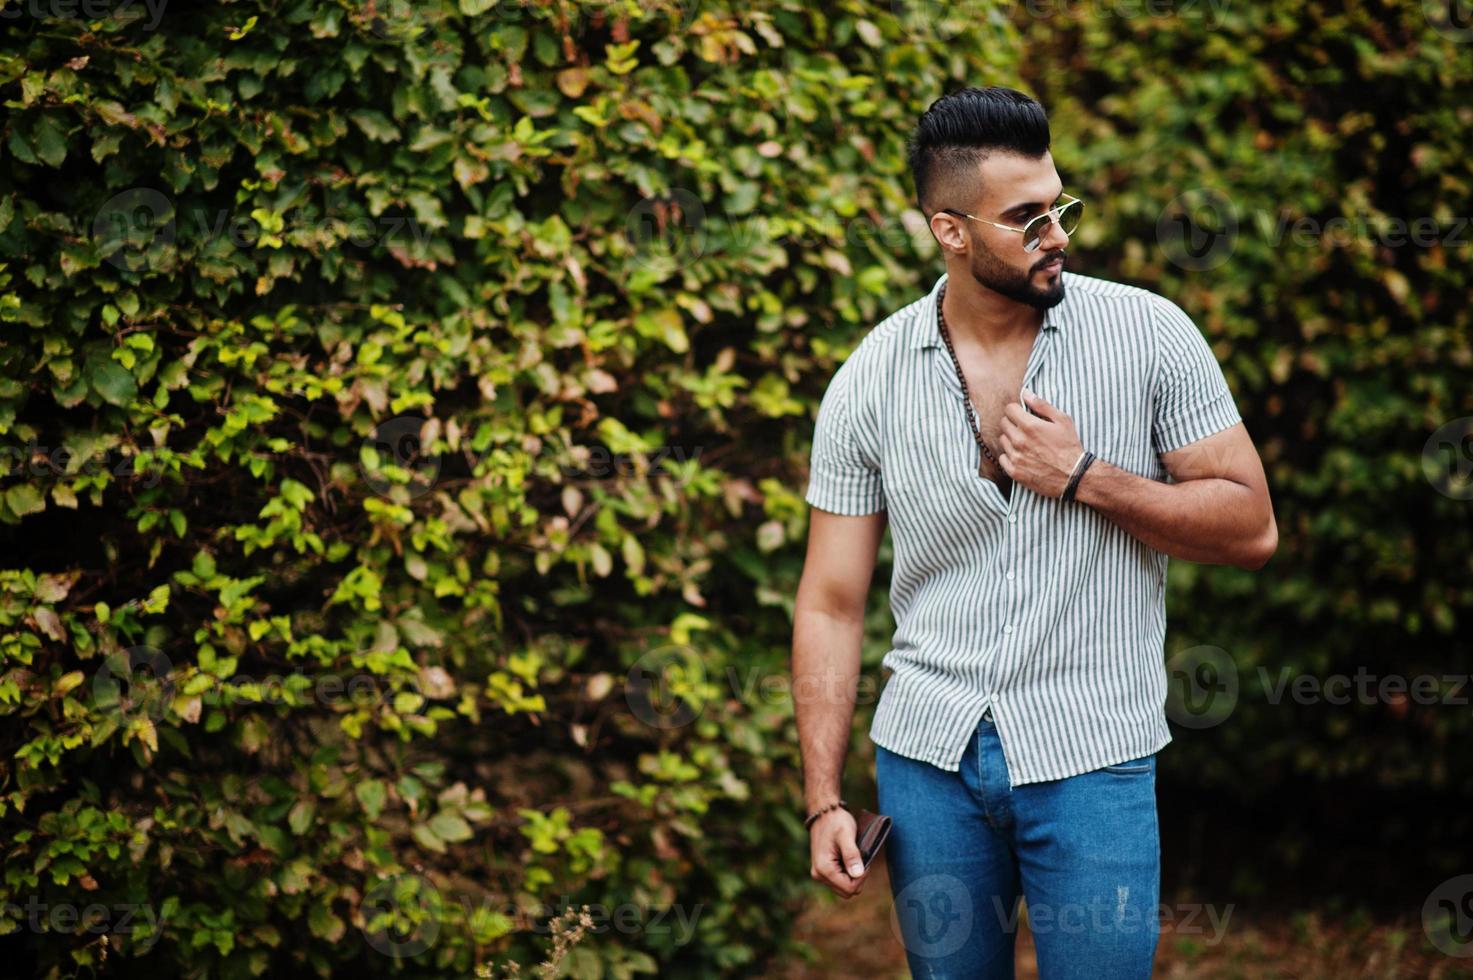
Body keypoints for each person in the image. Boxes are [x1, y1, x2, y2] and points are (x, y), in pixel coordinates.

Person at [792, 85, 1277, 979]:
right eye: (1027, 217)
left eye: (1061, 205)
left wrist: (1086, 477)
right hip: (926, 762)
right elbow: (829, 600)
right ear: (950, 231)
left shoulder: (1148, 335)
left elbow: (1249, 525)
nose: (1056, 231)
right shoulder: (868, 377)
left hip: (1092, 756)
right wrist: (823, 799)